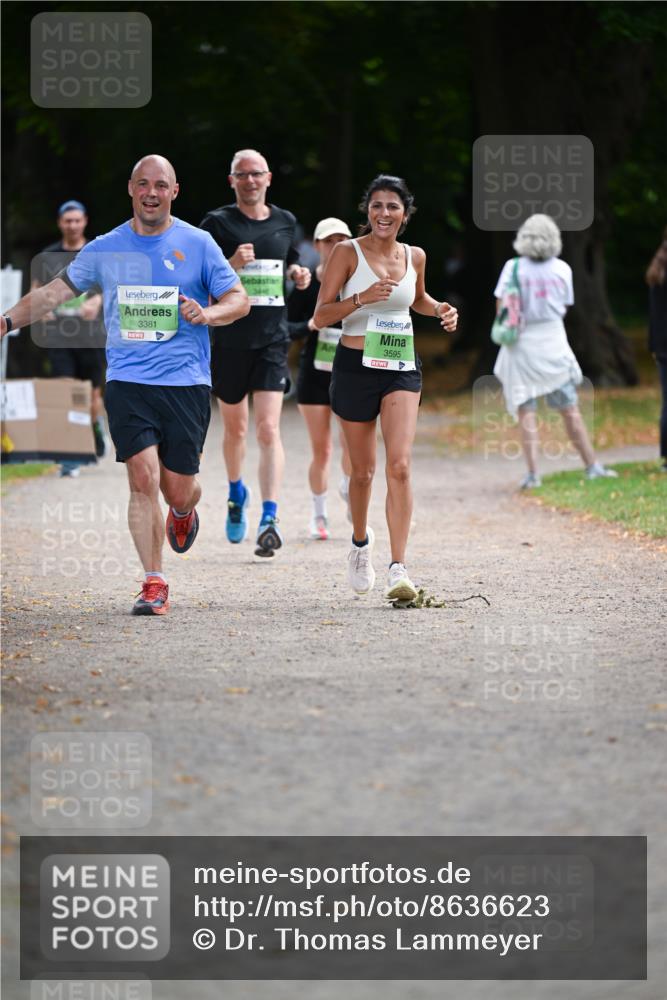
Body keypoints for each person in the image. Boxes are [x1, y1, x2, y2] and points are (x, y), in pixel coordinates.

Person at [1, 155, 249, 615]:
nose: (151, 192)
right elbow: (53, 293)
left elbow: (239, 298)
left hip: (185, 382)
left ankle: (183, 511)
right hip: (128, 380)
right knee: (142, 478)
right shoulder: (105, 247)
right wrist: (6, 321)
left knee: (177, 488)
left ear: (174, 191)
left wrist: (208, 313)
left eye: (161, 185)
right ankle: (154, 581)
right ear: (131, 189)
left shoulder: (198, 243)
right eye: (143, 184)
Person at [313, 175, 458, 600]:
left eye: (392, 206)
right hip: (355, 366)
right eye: (376, 205)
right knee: (362, 473)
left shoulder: (415, 256)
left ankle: (399, 568)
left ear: (405, 214)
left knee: (400, 466)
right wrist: (361, 298)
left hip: (400, 365)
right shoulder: (346, 252)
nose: (384, 213)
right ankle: (360, 544)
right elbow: (321, 315)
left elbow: (417, 299)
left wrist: (440, 309)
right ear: (367, 210)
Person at [199, 149, 311, 557]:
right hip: (230, 340)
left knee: (267, 429)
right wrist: (231, 263)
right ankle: (235, 494)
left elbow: (291, 261)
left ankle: (270, 517)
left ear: (268, 178)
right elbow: (200, 280)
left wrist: (298, 273)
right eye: (242, 175)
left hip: (271, 339)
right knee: (236, 431)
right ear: (232, 180)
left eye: (256, 174)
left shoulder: (285, 221)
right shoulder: (216, 223)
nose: (250, 181)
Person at [492, 214, 618, 488]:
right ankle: (592, 465)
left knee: (526, 410)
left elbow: (501, 306)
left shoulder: (513, 267)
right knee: (569, 408)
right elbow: (566, 305)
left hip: (521, 345)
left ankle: (533, 474)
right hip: (553, 343)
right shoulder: (562, 269)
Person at [31, 200, 107, 476]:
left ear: (84, 221)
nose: (72, 225)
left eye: (77, 220)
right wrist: (42, 310)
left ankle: (94, 425)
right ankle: (71, 456)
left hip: (91, 337)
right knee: (67, 394)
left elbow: (112, 286)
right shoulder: (48, 256)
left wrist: (97, 301)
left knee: (91, 397)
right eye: (68, 221)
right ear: (60, 223)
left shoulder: (96, 252)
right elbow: (36, 291)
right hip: (60, 338)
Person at [287, 217, 353, 539]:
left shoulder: (359, 283)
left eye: (341, 240)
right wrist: (310, 325)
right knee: (322, 449)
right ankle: (319, 515)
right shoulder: (306, 284)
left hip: (351, 373)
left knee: (352, 445)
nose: (335, 246)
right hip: (314, 374)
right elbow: (286, 328)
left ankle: (351, 490)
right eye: (328, 241)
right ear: (317, 245)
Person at [646, 226, 667, 472]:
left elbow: (654, 316)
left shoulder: (657, 271)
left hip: (662, 347)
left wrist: (653, 345)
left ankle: (665, 457)